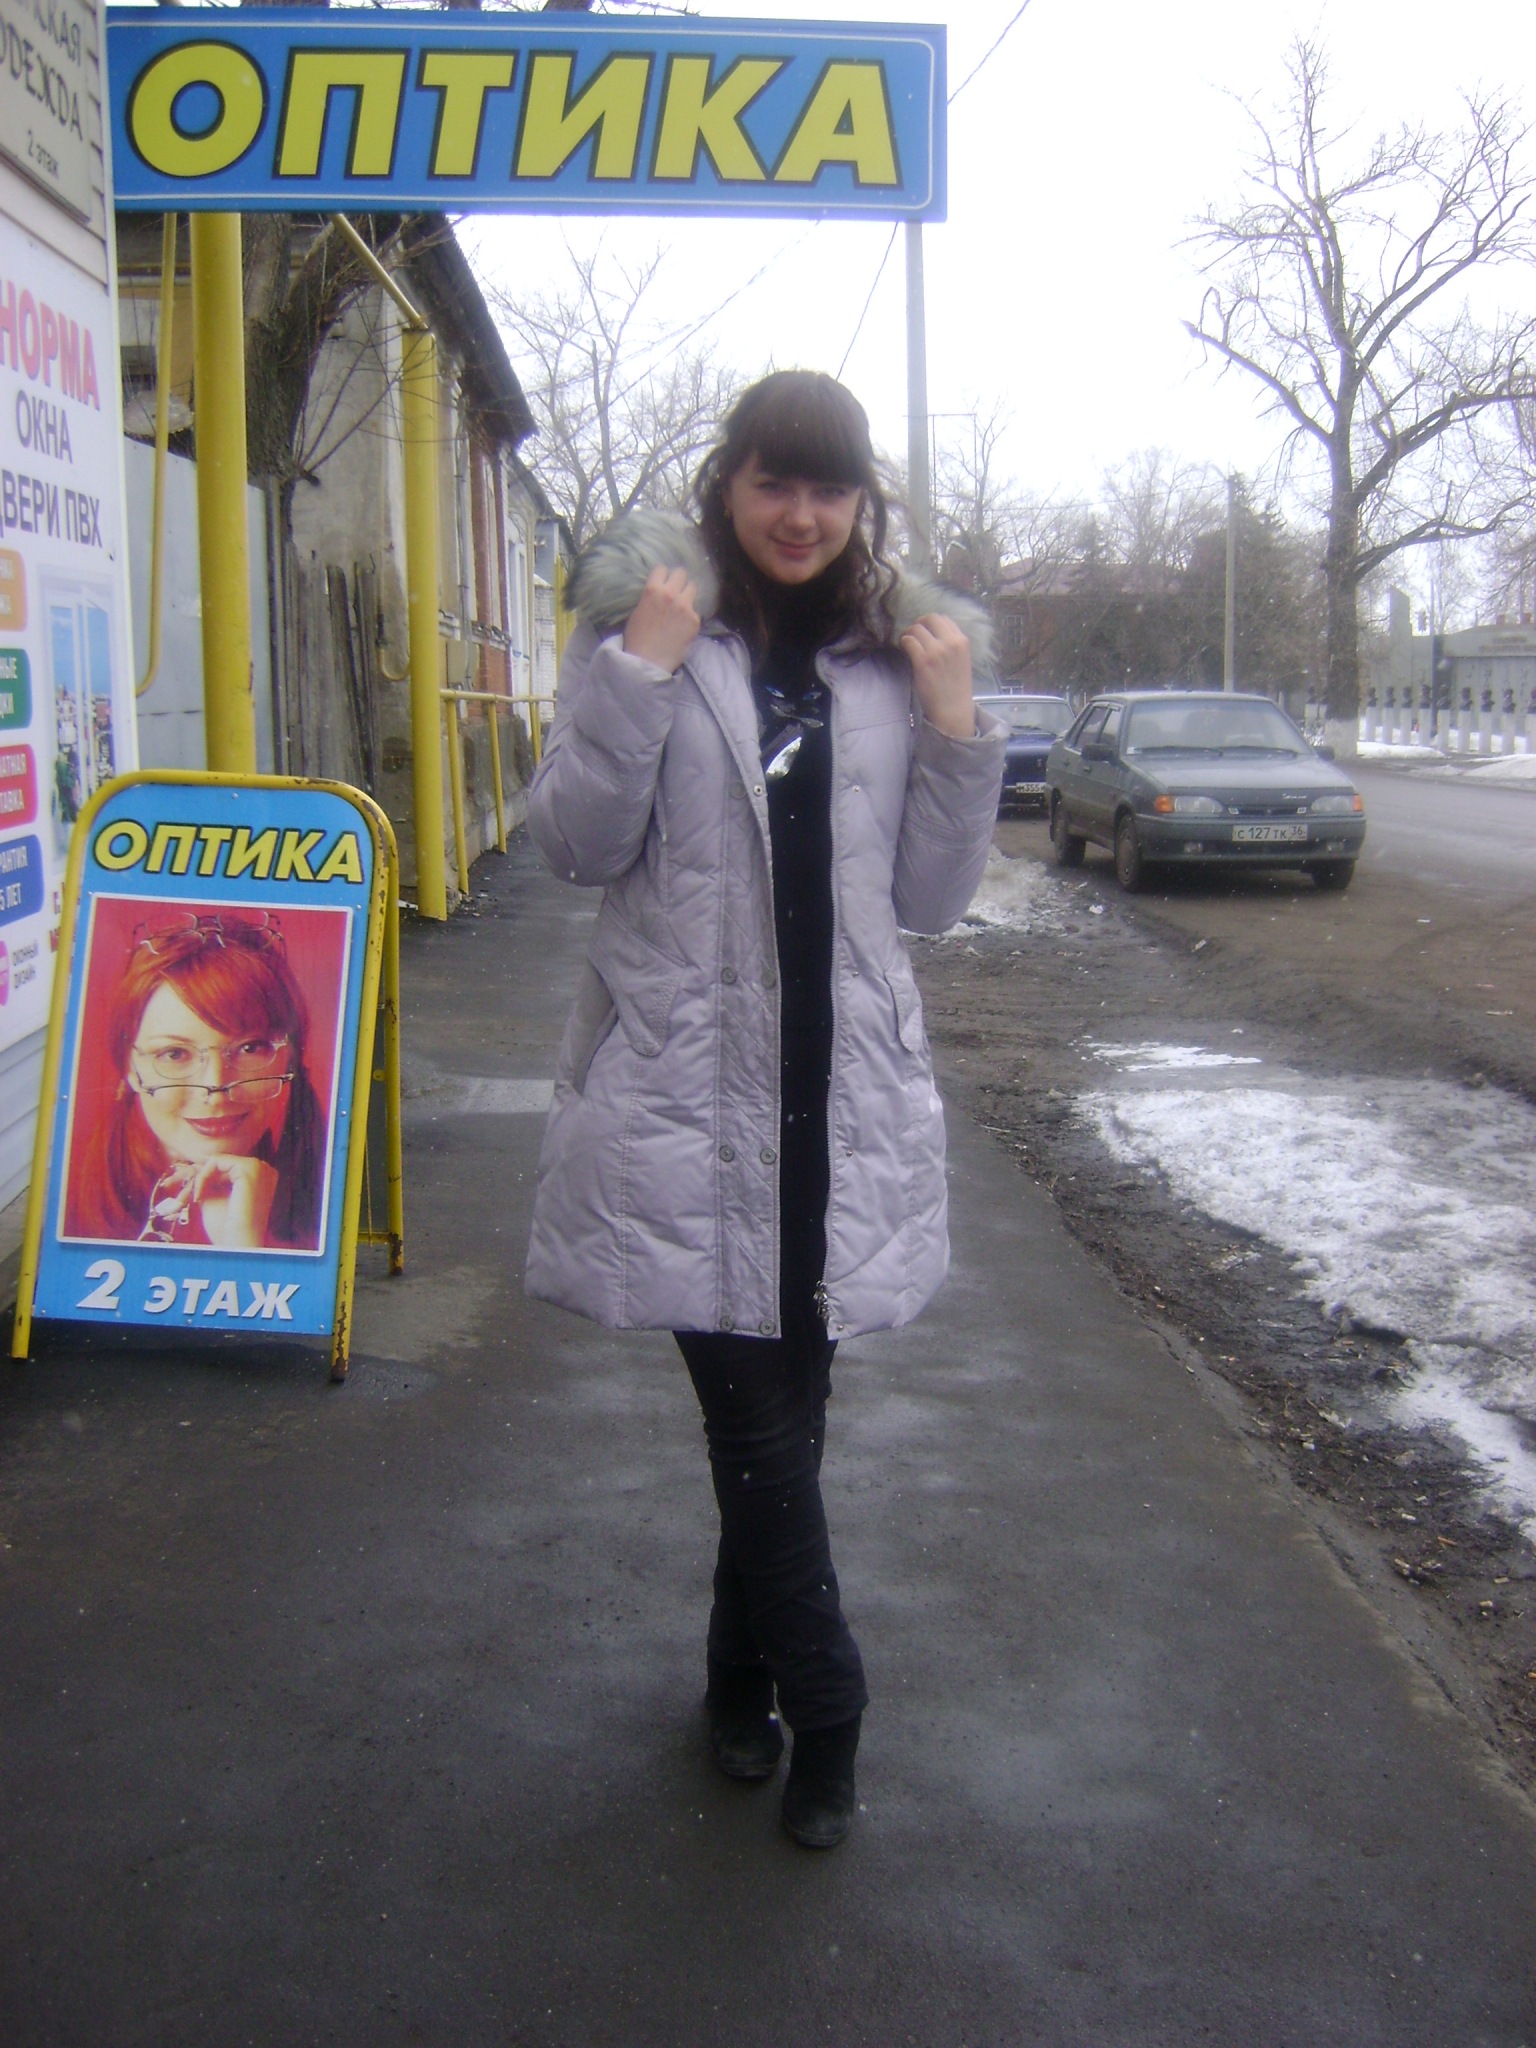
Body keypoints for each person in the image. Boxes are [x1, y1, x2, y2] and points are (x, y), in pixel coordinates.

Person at [525, 370, 1005, 1849]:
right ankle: (831, 1706)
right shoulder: (650, 629)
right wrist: (637, 674)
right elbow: (571, 844)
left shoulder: (895, 660)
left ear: (863, 503)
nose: (801, 514)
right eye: (773, 482)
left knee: (786, 1430)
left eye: (830, 487)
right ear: (726, 482)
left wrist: (956, 731)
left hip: (837, 1113)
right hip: (689, 1106)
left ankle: (737, 1681)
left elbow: (931, 901)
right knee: (760, 1432)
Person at [69, 910, 326, 1251]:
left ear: (290, 1057)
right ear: (130, 1067)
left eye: (249, 1048)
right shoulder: (69, 1202)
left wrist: (243, 1246)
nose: (215, 1090)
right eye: (175, 1054)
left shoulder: (326, 1194)